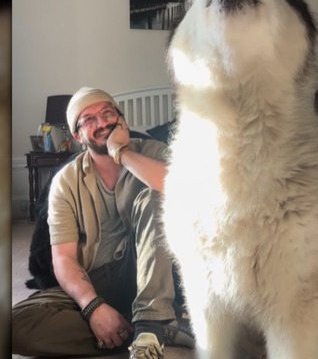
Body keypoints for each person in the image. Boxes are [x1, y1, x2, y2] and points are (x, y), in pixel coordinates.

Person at [11, 86, 194, 358]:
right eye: (89, 120)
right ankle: (145, 327)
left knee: (156, 195)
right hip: (96, 279)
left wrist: (121, 152)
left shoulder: (154, 151)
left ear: (122, 119)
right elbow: (63, 260)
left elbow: (176, 186)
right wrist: (92, 306)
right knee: (14, 325)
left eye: (108, 113)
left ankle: (150, 318)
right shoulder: (65, 181)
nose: (102, 123)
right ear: (77, 135)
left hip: (150, 274)